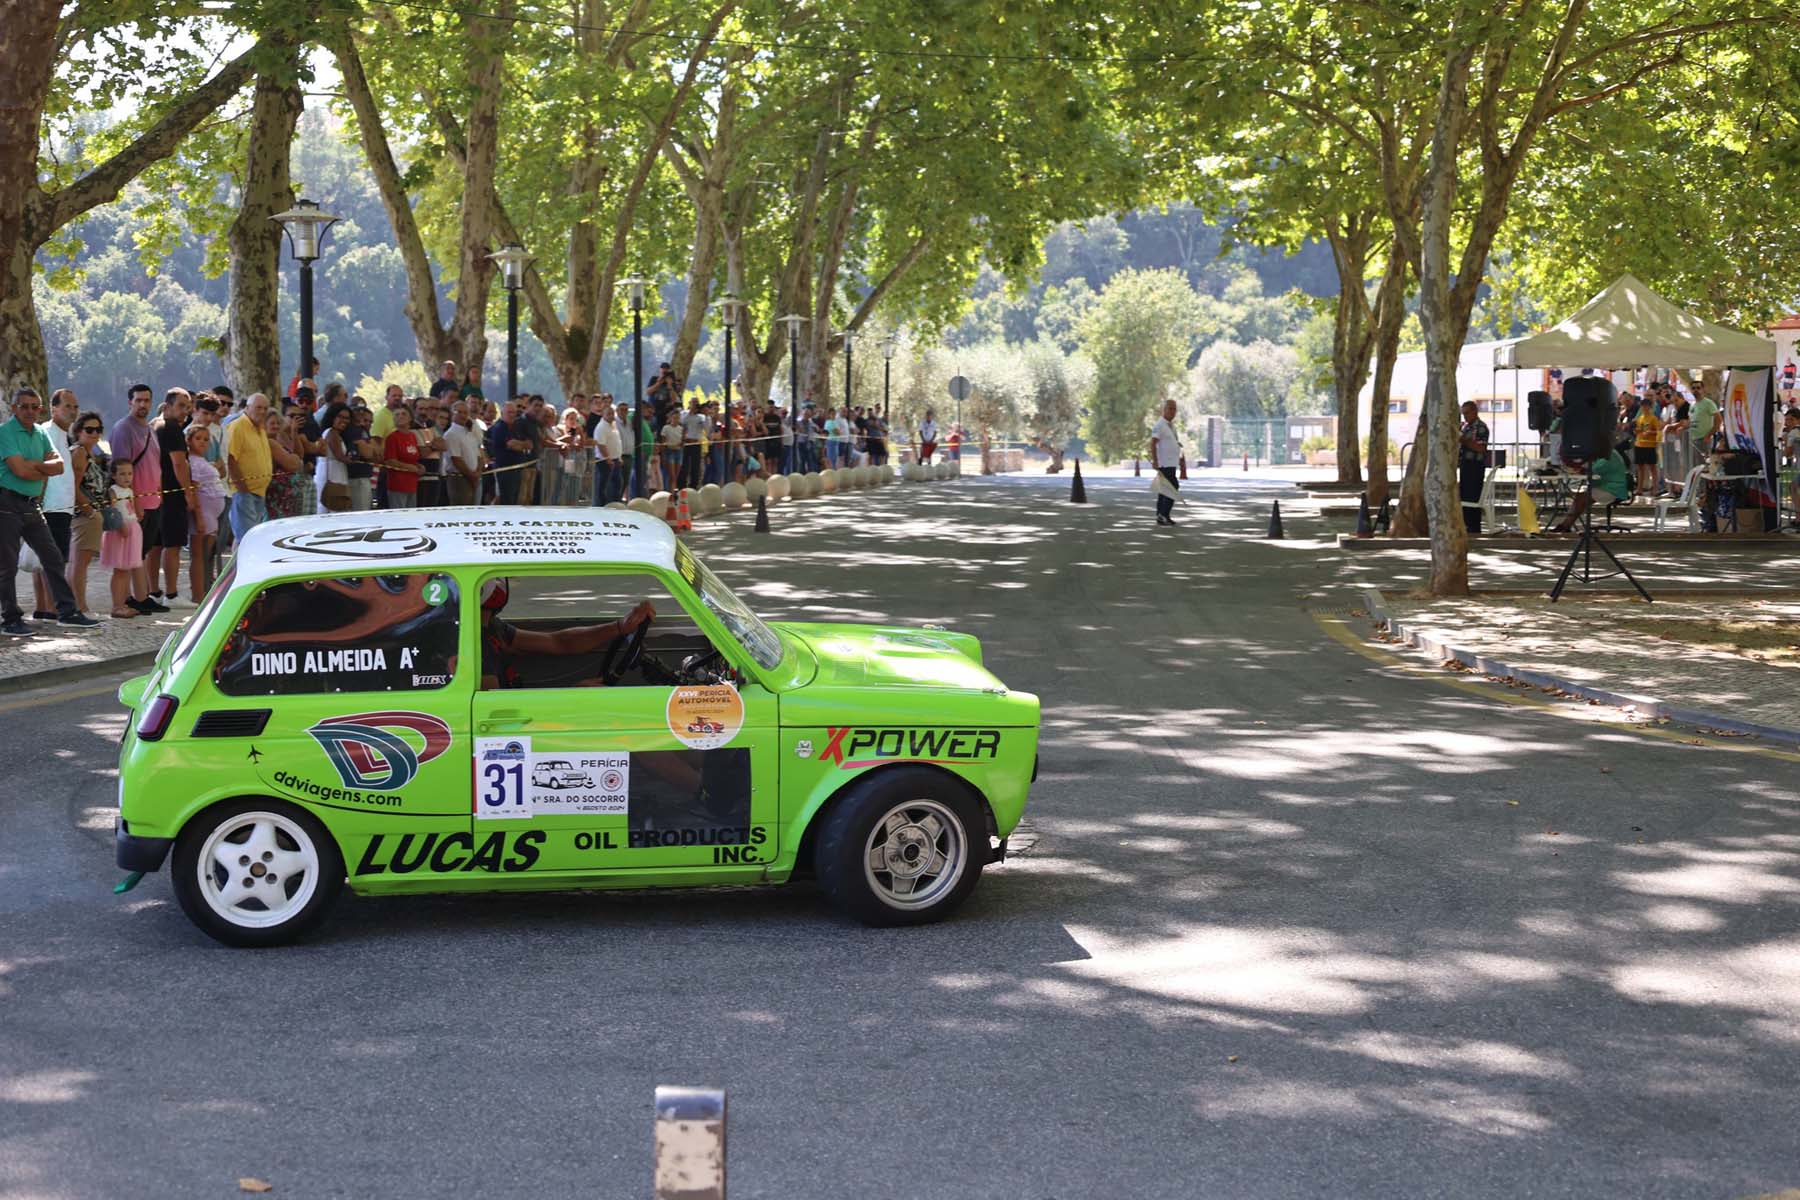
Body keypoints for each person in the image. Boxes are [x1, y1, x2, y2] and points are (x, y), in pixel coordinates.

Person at [1, 387, 98, 634]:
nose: (30, 411)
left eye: (35, 407)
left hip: (31, 504)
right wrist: (41, 468)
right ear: (14, 408)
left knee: (53, 557)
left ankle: (67, 612)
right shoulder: (5, 433)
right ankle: (10, 619)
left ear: (40, 409)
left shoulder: (40, 433)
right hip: (7, 504)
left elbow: (59, 466)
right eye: (24, 406)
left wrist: (34, 465)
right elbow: (20, 471)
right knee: (7, 565)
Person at [477, 577, 656, 689]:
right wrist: (572, 694)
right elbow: (492, 708)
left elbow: (558, 642)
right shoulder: (473, 645)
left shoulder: (491, 627)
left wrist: (618, 627)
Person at [109, 384, 165, 614]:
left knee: (141, 552)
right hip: (135, 502)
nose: (143, 404)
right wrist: (136, 502)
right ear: (130, 402)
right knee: (131, 553)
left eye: (146, 400)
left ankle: (142, 596)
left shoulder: (150, 429)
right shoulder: (123, 429)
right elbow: (121, 470)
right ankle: (130, 598)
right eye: (138, 400)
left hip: (154, 499)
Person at [30, 389, 78, 620]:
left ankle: (44, 608)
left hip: (61, 506)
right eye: (68, 406)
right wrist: (38, 502)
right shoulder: (47, 432)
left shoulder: (62, 434)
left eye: (75, 406)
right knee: (54, 561)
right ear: (54, 408)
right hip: (52, 506)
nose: (73, 411)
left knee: (46, 560)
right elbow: (41, 469)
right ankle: (53, 608)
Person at [149, 388, 197, 605]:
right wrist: (188, 492)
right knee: (173, 545)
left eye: (188, 407)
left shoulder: (153, 425)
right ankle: (171, 594)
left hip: (155, 494)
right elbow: (179, 463)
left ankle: (153, 591)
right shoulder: (172, 428)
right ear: (167, 406)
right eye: (181, 406)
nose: (185, 411)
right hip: (172, 493)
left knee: (155, 545)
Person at [66, 408, 107, 620]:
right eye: (89, 429)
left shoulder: (89, 453)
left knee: (79, 563)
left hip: (87, 514)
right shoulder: (79, 452)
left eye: (98, 429)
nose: (95, 433)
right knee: (79, 564)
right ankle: (80, 607)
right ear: (78, 431)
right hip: (83, 516)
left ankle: (77, 605)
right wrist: (89, 510)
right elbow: (72, 486)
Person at [100, 457, 145, 620]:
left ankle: (123, 602)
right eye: (122, 474)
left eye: (130, 473)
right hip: (121, 532)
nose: (127, 477)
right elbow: (111, 512)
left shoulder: (129, 490)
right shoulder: (113, 491)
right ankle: (117, 605)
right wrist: (120, 525)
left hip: (132, 530)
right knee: (120, 570)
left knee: (126, 570)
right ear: (114, 476)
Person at [185, 425, 226, 601]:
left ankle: (203, 591)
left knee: (205, 555)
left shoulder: (203, 461)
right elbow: (193, 489)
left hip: (212, 514)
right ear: (189, 441)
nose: (202, 442)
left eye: (206, 439)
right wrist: (199, 517)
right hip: (203, 513)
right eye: (198, 438)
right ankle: (197, 595)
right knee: (198, 555)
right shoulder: (193, 462)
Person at [1550, 444, 1630, 533]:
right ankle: (1566, 525)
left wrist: (1577, 468)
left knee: (1580, 499)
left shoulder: (1608, 455)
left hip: (1613, 490)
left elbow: (1593, 470)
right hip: (1606, 487)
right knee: (1580, 499)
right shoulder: (1606, 452)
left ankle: (1565, 525)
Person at [225, 392, 274, 540]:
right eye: (258, 407)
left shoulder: (260, 428)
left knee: (246, 538)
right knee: (248, 538)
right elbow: (230, 458)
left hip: (258, 492)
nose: (262, 412)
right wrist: (242, 488)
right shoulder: (238, 426)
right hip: (244, 492)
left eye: (265, 408)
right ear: (247, 408)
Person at [485, 400, 533, 504]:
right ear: (502, 413)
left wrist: (519, 444)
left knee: (515, 500)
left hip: (516, 470)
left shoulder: (516, 427)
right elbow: (511, 445)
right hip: (505, 470)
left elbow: (529, 444)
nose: (512, 415)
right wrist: (522, 445)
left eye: (514, 412)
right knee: (506, 501)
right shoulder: (499, 428)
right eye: (509, 412)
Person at [382, 403, 425, 509]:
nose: (400, 416)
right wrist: (410, 467)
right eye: (397, 415)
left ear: (410, 418)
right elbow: (390, 461)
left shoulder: (412, 436)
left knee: (411, 514)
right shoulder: (392, 437)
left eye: (403, 414)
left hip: (412, 483)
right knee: (400, 514)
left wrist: (419, 466)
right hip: (398, 484)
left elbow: (412, 458)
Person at [315, 403, 355, 512]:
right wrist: (354, 460)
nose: (344, 420)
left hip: (334, 473)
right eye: (340, 417)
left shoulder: (332, 433)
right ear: (332, 417)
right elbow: (340, 456)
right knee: (331, 508)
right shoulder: (331, 433)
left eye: (346, 418)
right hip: (332, 475)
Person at [1457, 399, 1490, 533]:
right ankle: (1467, 525)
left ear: (1475, 411)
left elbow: (1481, 448)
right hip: (1465, 465)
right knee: (1465, 497)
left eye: (1467, 413)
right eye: (1463, 414)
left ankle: (1474, 528)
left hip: (1475, 466)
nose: (1465, 416)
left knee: (1473, 497)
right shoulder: (1466, 427)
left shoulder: (1480, 427)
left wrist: (1463, 440)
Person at [444, 400, 483, 507]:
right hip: (459, 479)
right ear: (452, 414)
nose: (463, 415)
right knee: (461, 511)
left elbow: (479, 455)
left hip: (474, 477)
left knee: (473, 510)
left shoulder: (470, 432)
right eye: (459, 412)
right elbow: (456, 459)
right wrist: (472, 476)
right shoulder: (451, 434)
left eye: (466, 412)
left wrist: (478, 472)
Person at [1149, 397, 1181, 526]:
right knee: (1173, 487)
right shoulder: (1160, 425)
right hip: (1164, 463)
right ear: (1164, 409)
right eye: (1170, 408)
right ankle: (1163, 514)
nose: (1173, 411)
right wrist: (1155, 461)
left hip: (1171, 463)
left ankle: (1162, 516)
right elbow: (1153, 443)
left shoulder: (1170, 425)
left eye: (1174, 409)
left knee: (1164, 490)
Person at [1632, 393, 1662, 497]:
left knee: (1652, 467)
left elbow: (1658, 431)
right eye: (1643, 406)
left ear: (1650, 407)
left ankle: (1655, 489)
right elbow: (1639, 429)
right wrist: (1637, 431)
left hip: (1650, 445)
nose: (1644, 408)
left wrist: (1651, 433)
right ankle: (1639, 489)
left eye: (1646, 406)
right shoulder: (1640, 418)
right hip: (1639, 444)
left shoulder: (1653, 418)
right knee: (1640, 468)